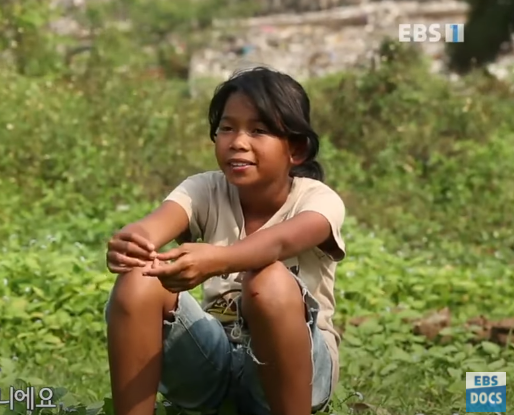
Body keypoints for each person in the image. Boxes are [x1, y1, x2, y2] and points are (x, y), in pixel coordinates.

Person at [103, 66, 346, 415]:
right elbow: (151, 228)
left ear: (296, 149)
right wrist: (131, 244)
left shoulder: (318, 201)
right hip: (214, 363)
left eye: (258, 130)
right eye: (227, 128)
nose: (238, 142)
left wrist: (217, 259)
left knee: (269, 281)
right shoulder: (204, 189)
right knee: (139, 278)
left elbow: (276, 244)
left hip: (300, 376)